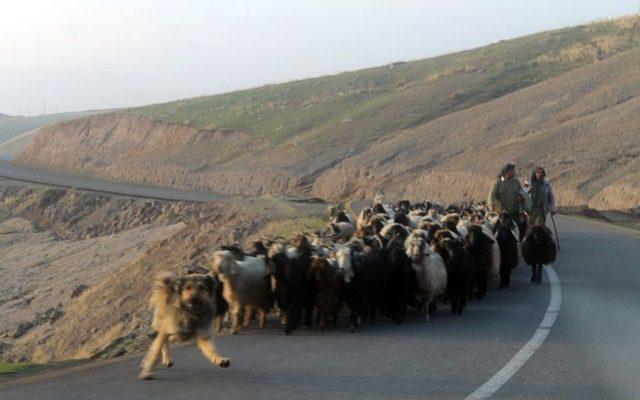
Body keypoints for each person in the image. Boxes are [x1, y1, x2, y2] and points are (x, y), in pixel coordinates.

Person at [488, 163, 531, 240]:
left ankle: (520, 248)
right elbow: (491, 194)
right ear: (506, 172)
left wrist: (521, 196)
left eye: (513, 171)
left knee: (520, 230)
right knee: (495, 232)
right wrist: (492, 205)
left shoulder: (516, 182)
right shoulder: (497, 183)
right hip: (502, 215)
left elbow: (522, 191)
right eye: (512, 171)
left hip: (514, 213)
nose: (514, 172)